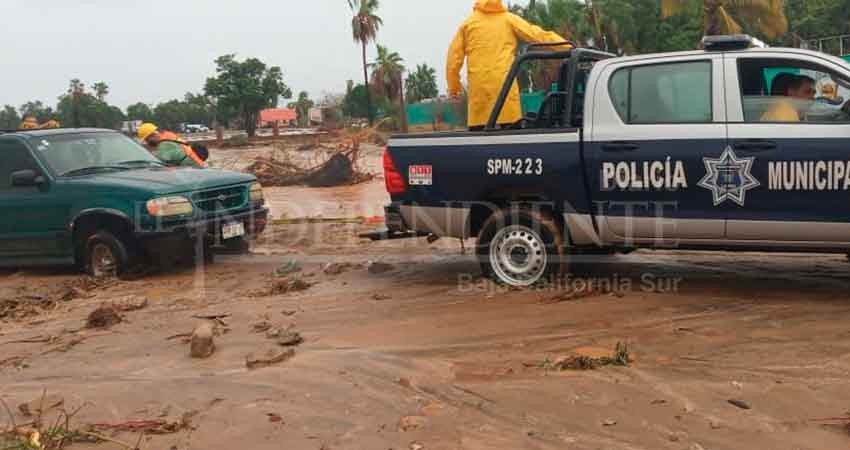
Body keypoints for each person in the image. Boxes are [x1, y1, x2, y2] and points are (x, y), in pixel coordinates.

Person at [447, 0, 572, 130]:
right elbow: (536, 34)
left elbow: (453, 60)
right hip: (505, 88)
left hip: (480, 93)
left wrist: (454, 88)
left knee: (478, 135)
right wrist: (567, 47)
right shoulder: (508, 19)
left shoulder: (467, 25)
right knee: (512, 132)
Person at [137, 123, 207, 167]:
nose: (147, 143)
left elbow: (157, 162)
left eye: (147, 140)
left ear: (152, 135)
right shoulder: (168, 135)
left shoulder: (164, 144)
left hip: (193, 169)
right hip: (196, 164)